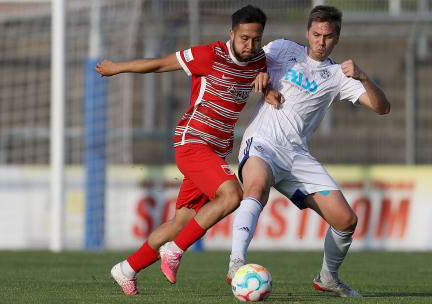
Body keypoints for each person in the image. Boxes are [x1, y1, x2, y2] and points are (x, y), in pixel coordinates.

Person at [95, 5, 281, 295]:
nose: (250, 45)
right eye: (244, 38)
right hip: (193, 141)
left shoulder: (259, 62)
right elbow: (158, 64)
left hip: (214, 151)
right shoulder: (209, 55)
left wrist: (268, 89)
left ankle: (127, 268)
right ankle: (175, 251)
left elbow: (264, 85)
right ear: (231, 33)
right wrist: (117, 68)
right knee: (232, 194)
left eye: (256, 39)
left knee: (181, 221)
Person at [226, 5, 390, 298]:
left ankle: (328, 277)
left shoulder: (338, 75)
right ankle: (236, 262)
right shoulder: (282, 48)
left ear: (336, 38)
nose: (320, 42)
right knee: (257, 186)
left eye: (327, 36)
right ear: (307, 32)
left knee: (346, 220)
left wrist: (363, 77)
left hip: (297, 156)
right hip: (264, 140)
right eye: (316, 34)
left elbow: (382, 108)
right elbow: (248, 62)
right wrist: (262, 81)